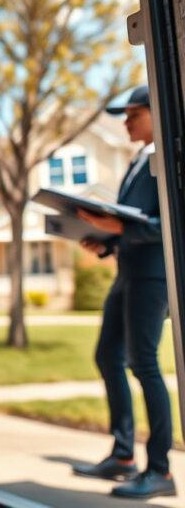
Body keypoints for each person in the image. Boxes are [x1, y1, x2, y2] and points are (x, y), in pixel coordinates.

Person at [74, 85, 176, 499]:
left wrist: (122, 230)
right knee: (107, 355)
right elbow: (132, 223)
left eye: (133, 114)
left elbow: (167, 223)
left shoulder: (165, 157)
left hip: (152, 277)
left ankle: (161, 471)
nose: (126, 121)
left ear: (155, 113)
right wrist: (107, 241)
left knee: (144, 364)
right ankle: (122, 455)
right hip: (126, 273)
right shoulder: (138, 160)